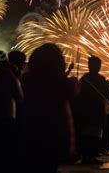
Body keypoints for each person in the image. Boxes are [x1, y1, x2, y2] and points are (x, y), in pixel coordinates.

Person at [20, 44, 75, 173]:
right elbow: (71, 91)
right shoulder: (60, 81)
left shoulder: (27, 79)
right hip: (56, 131)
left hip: (31, 129)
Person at [74, 56, 109, 165]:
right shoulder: (100, 79)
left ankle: (87, 156)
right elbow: (106, 93)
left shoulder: (84, 78)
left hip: (87, 110)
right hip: (95, 110)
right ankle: (90, 156)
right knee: (93, 135)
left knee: (89, 134)